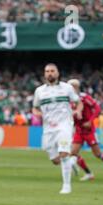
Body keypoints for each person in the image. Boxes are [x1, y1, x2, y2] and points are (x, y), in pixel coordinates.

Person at [32, 63, 83, 194]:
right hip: (48, 128)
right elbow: (35, 108)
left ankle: (67, 186)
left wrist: (78, 111)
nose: (50, 73)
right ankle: (71, 163)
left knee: (63, 153)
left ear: (57, 73)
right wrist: (38, 114)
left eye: (52, 71)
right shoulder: (39, 91)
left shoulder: (67, 88)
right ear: (44, 74)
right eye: (47, 71)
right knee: (55, 160)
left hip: (64, 125)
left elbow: (78, 102)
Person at [67, 79, 103, 181]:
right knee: (73, 153)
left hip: (88, 130)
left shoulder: (84, 97)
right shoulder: (69, 100)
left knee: (97, 154)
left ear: (76, 87)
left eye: (72, 87)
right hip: (79, 130)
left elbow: (97, 109)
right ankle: (89, 173)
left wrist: (90, 121)